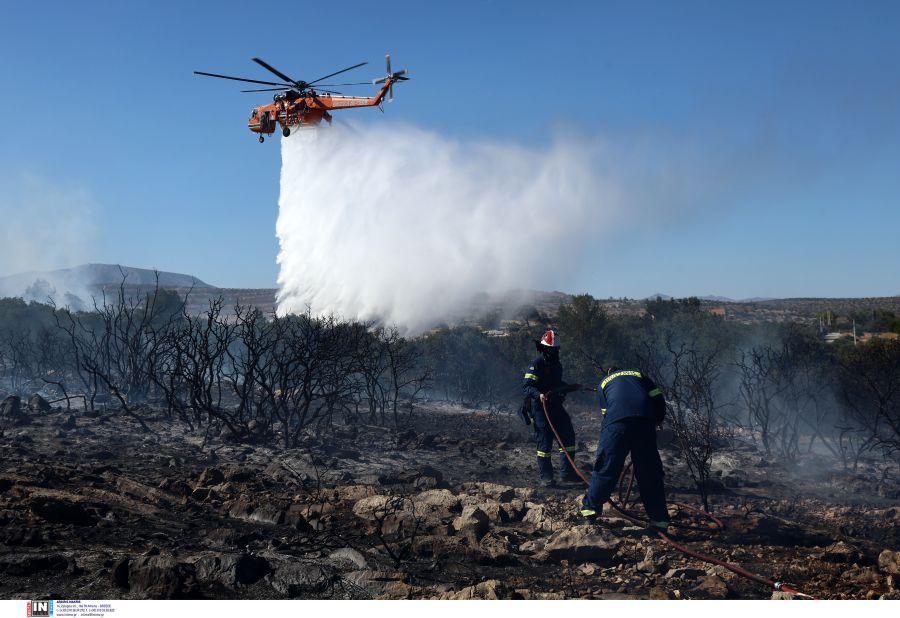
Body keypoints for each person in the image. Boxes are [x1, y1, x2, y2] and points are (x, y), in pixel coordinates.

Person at [580, 366, 670, 531]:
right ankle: (659, 521)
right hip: (644, 420)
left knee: (606, 466)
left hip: (617, 423)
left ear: (610, 373)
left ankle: (590, 512)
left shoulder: (604, 382)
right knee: (649, 471)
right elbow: (658, 397)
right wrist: (658, 418)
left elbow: (606, 412)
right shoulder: (638, 374)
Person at [522, 330, 580, 487]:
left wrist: (570, 387)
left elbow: (556, 384)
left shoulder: (556, 364)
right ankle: (546, 478)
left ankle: (567, 474)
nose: (555, 352)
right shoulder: (536, 364)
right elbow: (527, 386)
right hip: (540, 408)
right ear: (545, 349)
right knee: (544, 443)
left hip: (555, 406)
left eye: (557, 349)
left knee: (568, 436)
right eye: (553, 349)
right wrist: (538, 394)